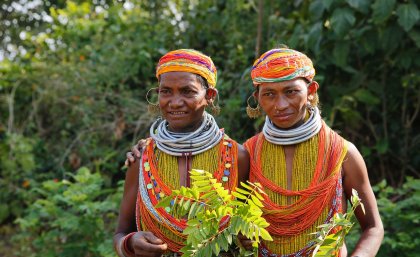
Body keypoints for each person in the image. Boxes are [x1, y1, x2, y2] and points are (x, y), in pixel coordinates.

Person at [243, 47, 384, 256]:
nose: (280, 105)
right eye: (269, 94)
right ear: (257, 97)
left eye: (291, 92)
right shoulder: (247, 155)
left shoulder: (342, 154)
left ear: (311, 91)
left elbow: (373, 227)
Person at [114, 49, 249, 257]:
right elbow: (121, 232)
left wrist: (245, 238)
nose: (175, 102)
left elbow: (248, 230)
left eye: (187, 91)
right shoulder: (142, 159)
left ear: (209, 96)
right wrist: (131, 243)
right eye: (166, 91)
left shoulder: (235, 157)